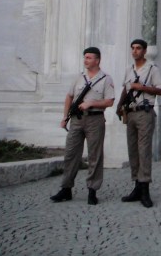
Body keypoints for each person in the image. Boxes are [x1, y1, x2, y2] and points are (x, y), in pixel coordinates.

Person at [50, 46, 115, 205]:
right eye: (85, 57)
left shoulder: (106, 79)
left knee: (95, 155)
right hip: (77, 120)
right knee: (71, 153)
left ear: (97, 60)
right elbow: (69, 97)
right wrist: (65, 117)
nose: (85, 60)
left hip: (95, 119)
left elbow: (110, 101)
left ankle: (92, 190)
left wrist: (92, 103)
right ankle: (66, 189)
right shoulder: (78, 77)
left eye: (89, 57)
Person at [116, 38, 161, 208]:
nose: (135, 51)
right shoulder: (129, 69)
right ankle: (136, 186)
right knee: (133, 150)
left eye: (138, 48)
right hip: (130, 112)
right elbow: (126, 88)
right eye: (133, 48)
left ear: (145, 51)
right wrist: (119, 105)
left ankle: (145, 189)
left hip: (145, 112)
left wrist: (142, 87)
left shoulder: (152, 69)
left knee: (144, 150)